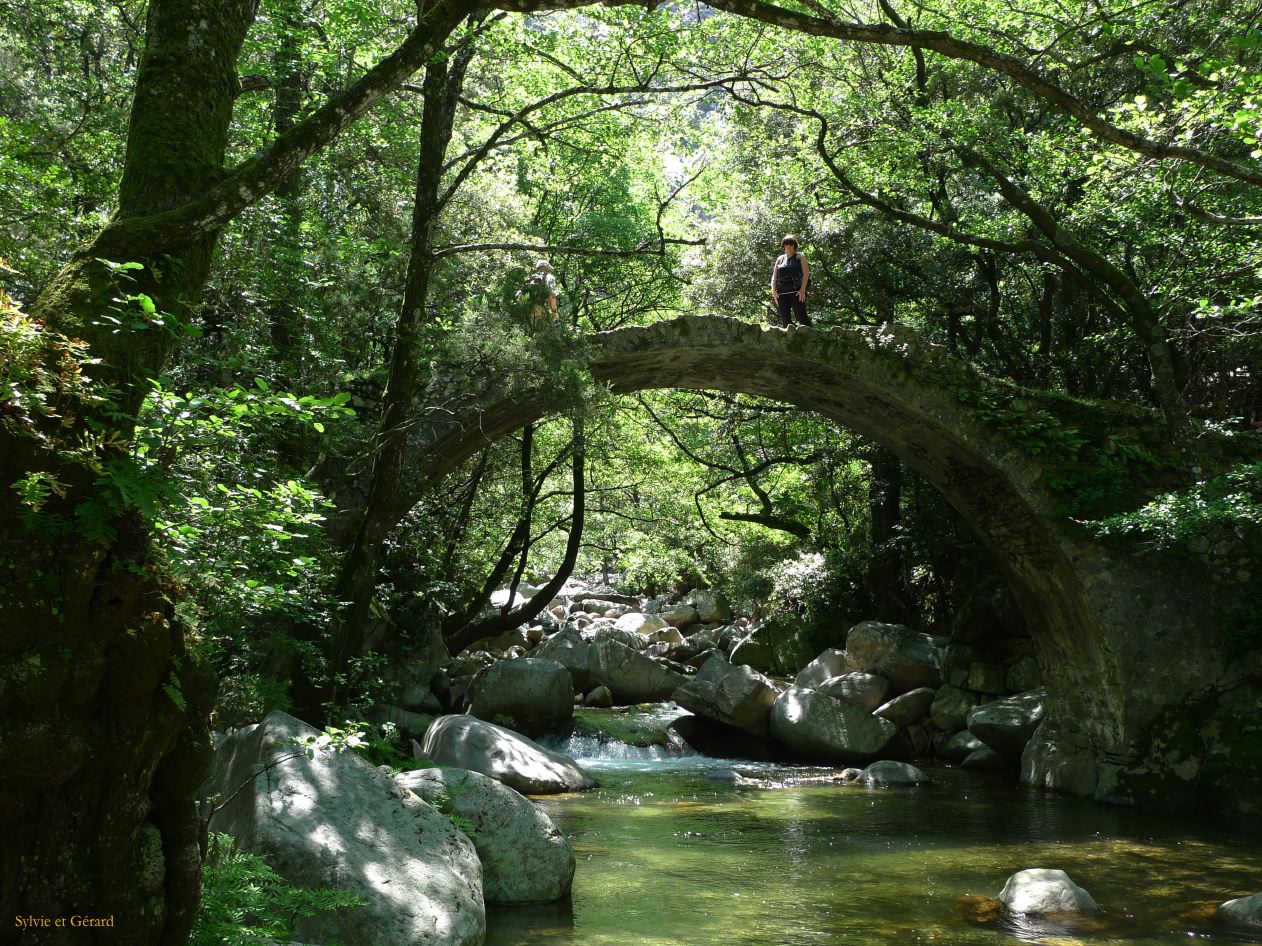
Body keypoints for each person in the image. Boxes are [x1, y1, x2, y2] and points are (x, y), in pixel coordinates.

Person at [770, 235, 812, 327]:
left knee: (801, 317)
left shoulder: (800, 256)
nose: (788, 246)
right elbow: (774, 276)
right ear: (783, 246)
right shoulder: (780, 259)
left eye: (791, 244)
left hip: (797, 292)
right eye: (786, 244)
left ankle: (813, 338)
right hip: (782, 293)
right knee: (785, 320)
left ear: (794, 246)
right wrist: (773, 290)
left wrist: (802, 290)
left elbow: (806, 274)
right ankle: (792, 339)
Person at [520, 259, 559, 331]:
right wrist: (554, 310)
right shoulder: (550, 278)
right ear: (547, 267)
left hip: (532, 310)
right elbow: (552, 294)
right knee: (545, 332)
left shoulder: (532, 278)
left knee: (532, 332)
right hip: (544, 308)